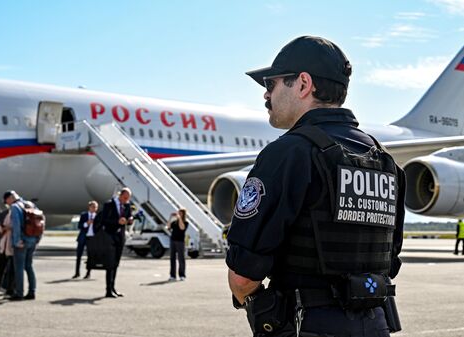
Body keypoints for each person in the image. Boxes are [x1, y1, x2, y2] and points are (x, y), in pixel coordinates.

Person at [226, 36, 406, 337]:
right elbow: (390, 260)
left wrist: (267, 312)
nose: (266, 96)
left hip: (307, 324)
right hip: (374, 324)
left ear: (303, 84)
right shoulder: (386, 162)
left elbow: (242, 278)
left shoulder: (288, 153)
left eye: (271, 85)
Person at [97, 188, 133, 298]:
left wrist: (129, 219)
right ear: (120, 195)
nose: (126, 201)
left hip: (120, 236)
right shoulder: (109, 204)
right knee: (110, 262)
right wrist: (117, 221)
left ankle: (113, 288)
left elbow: (128, 217)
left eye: (128, 199)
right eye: (125, 198)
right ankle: (108, 290)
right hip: (110, 235)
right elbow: (103, 220)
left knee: (116, 263)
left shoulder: (127, 206)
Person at [8, 190, 40, 301]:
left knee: (19, 268)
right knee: (29, 266)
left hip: (22, 241)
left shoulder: (15, 207)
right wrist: (37, 239)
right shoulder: (31, 204)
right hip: (32, 240)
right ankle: (32, 291)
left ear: (10, 198)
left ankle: (19, 293)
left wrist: (17, 241)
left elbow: (16, 225)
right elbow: (40, 221)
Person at [73, 201, 98, 279]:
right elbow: (79, 226)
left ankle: (88, 273)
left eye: (96, 207)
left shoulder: (97, 216)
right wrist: (87, 223)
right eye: (93, 207)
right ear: (89, 207)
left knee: (90, 256)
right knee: (79, 255)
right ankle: (77, 273)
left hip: (91, 238)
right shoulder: (84, 215)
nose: (94, 208)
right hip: (83, 237)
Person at [167, 208, 188, 281]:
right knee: (172, 258)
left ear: (183, 214)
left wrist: (179, 219)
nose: (178, 214)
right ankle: (172, 275)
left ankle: (182, 275)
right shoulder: (174, 222)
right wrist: (170, 217)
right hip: (173, 240)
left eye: (180, 213)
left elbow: (182, 228)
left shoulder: (185, 222)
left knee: (181, 258)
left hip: (180, 242)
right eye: (178, 212)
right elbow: (168, 226)